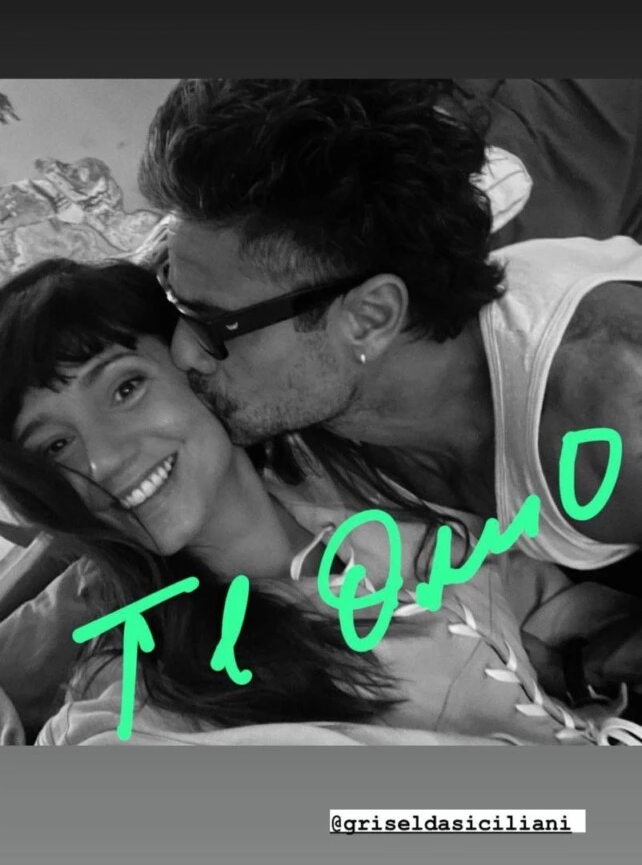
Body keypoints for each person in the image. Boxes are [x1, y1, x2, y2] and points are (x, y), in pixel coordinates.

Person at [0, 258, 640, 747]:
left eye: (125, 389)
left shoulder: (370, 474)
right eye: (55, 446)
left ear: (195, 363)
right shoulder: (140, 698)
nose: (102, 461)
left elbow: (538, 607)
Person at [137, 78, 642, 578]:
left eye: (214, 324)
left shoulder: (612, 419)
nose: (182, 353)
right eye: (174, 303)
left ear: (370, 318)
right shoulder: (298, 357)